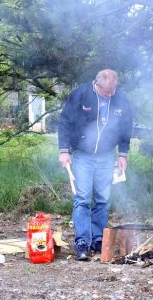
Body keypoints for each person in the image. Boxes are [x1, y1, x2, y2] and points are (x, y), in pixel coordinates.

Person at [58, 69, 133, 260]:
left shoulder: (120, 98)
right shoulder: (81, 94)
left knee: (102, 199)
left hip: (107, 156)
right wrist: (64, 150)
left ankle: (98, 239)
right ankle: (82, 241)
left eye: (112, 90)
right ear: (97, 84)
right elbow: (65, 121)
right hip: (83, 155)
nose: (110, 94)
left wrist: (123, 154)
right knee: (82, 198)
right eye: (106, 91)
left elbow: (126, 127)